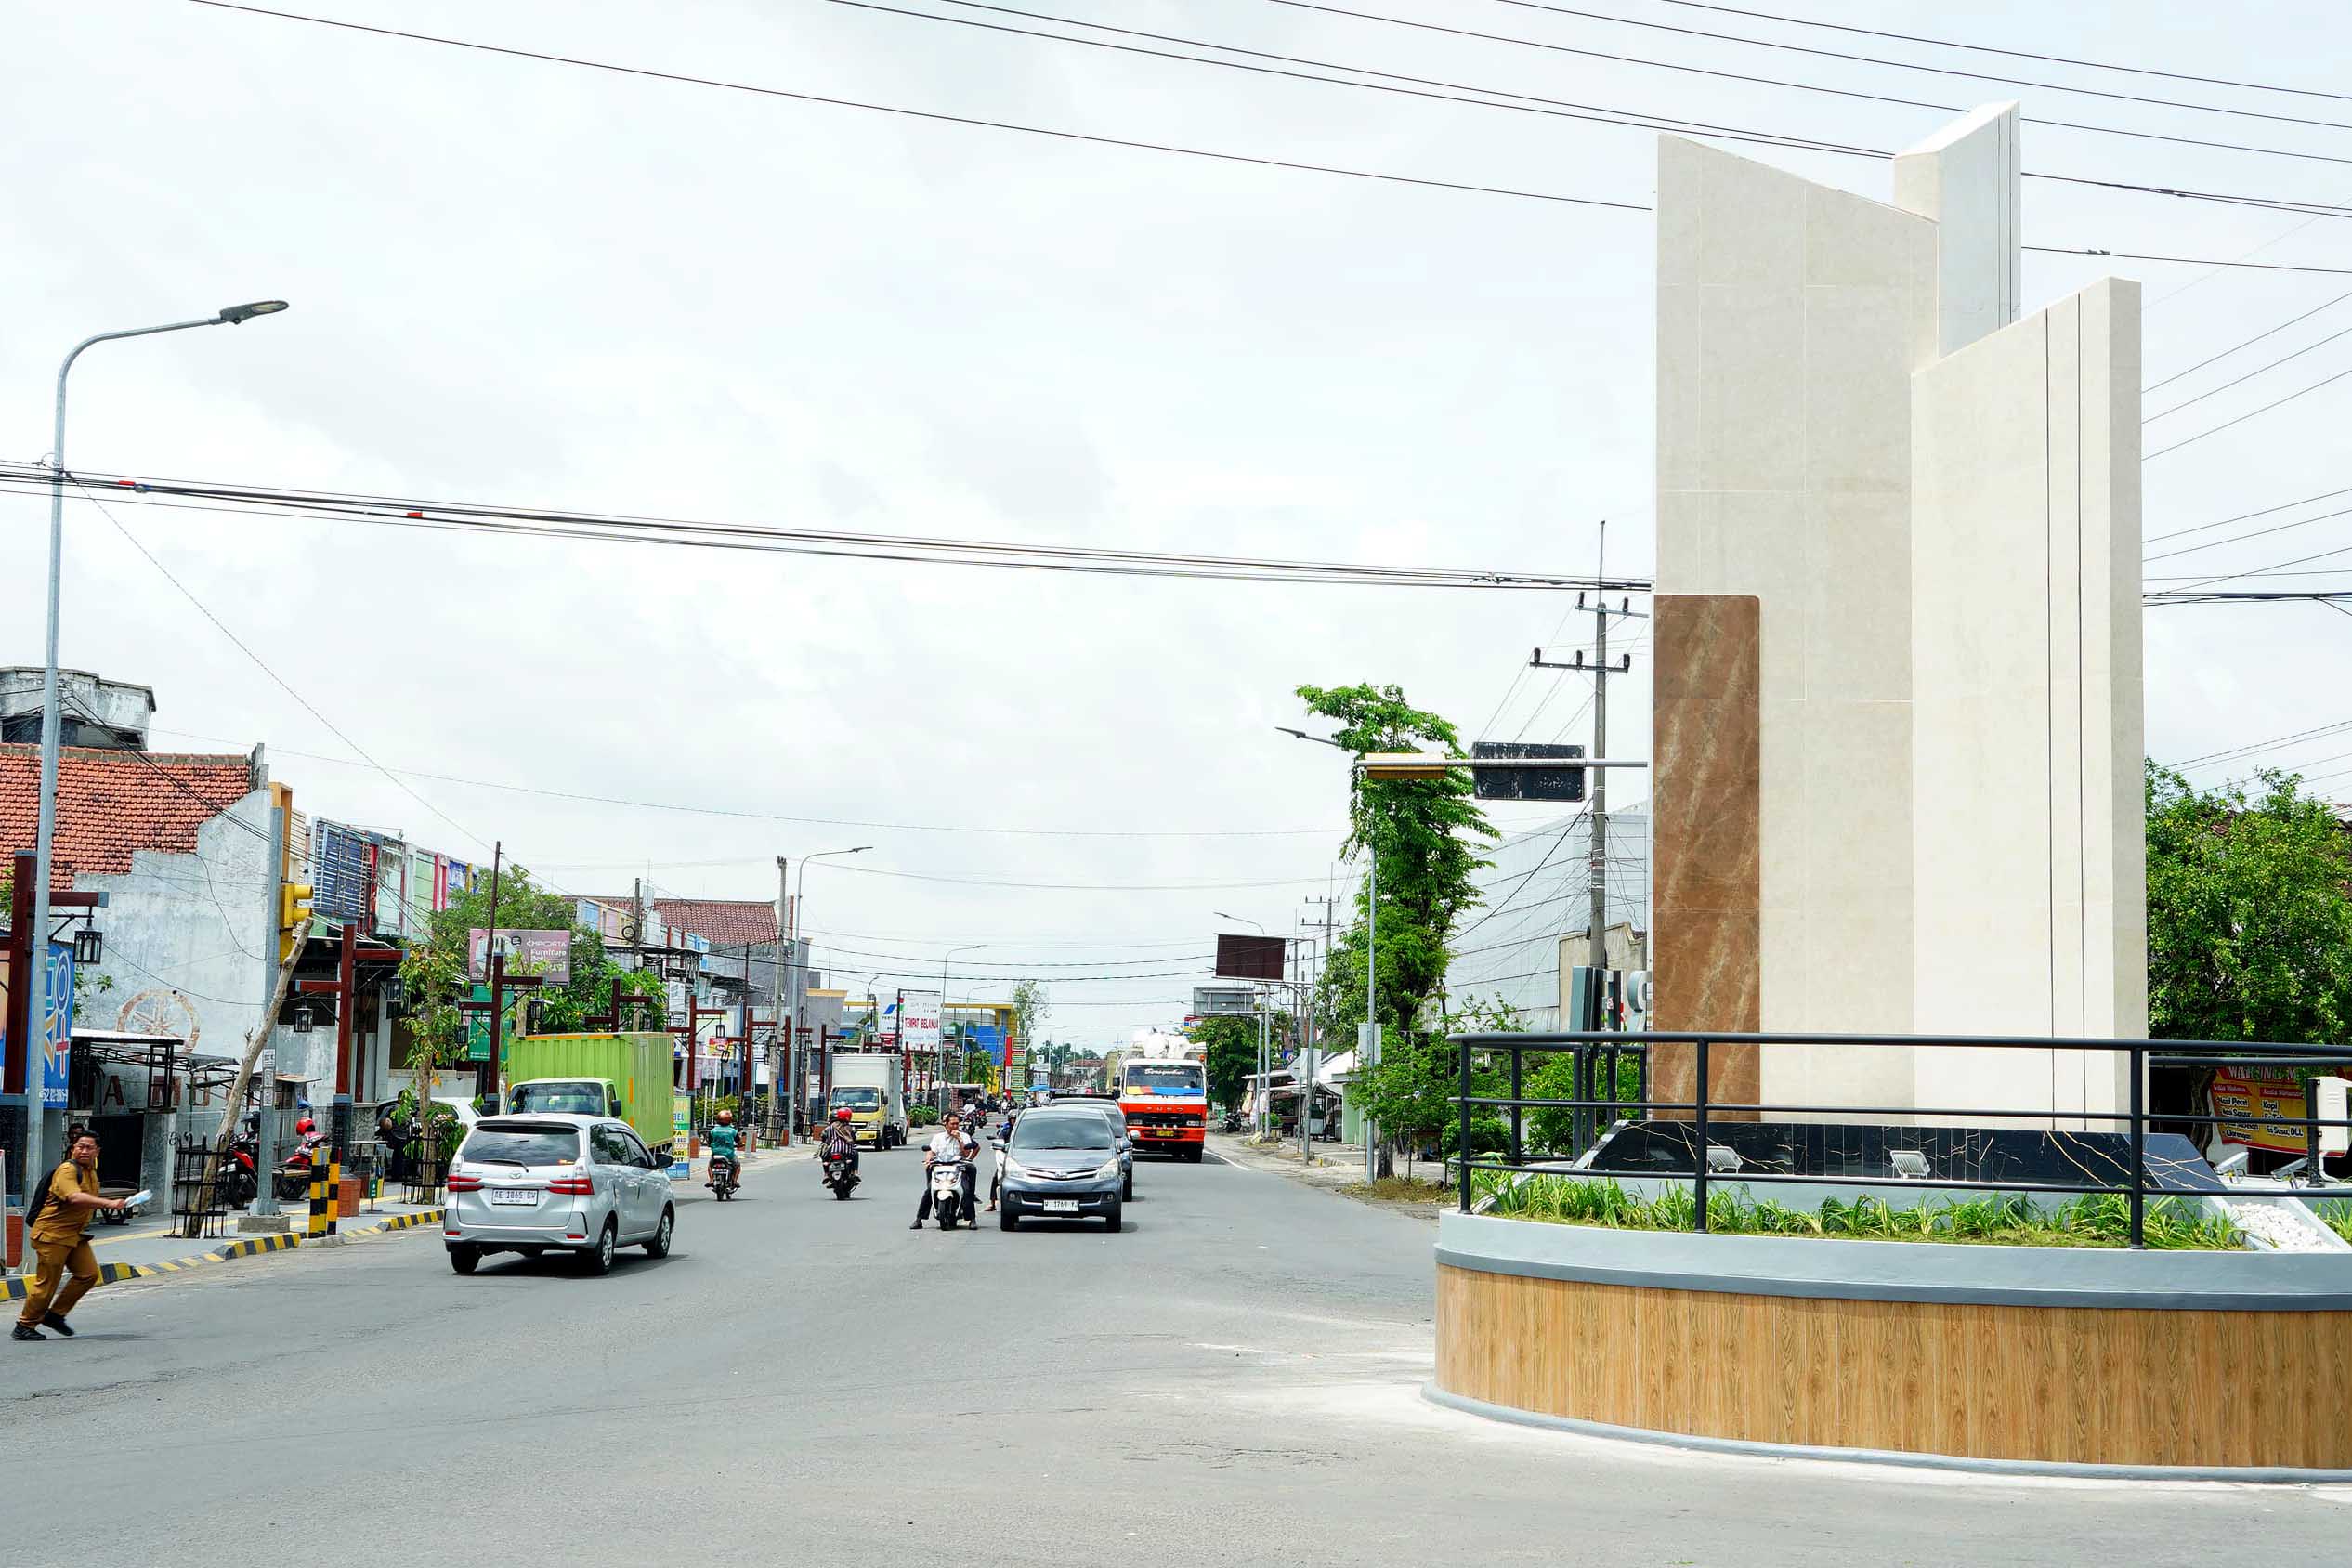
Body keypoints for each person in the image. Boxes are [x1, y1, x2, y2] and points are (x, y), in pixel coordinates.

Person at [15, 1131, 126, 1342]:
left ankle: (55, 1315)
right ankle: (25, 1324)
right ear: (73, 1148)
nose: (84, 1151)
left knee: (88, 1274)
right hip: (52, 1234)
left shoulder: (90, 1172)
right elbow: (74, 1197)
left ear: (97, 1151)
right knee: (47, 1283)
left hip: (74, 1234)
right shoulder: (67, 1170)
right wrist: (109, 1204)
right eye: (80, 1146)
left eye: (89, 1147)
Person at [912, 1111, 976, 1229]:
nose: (955, 1126)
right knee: (929, 1190)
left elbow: (966, 1154)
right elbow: (931, 1151)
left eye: (957, 1124)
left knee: (966, 1190)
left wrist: (959, 1139)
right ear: (946, 1125)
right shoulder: (938, 1138)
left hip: (958, 1167)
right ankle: (919, 1219)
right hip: (940, 1167)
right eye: (952, 1124)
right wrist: (928, 1160)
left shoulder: (964, 1136)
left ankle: (972, 1219)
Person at [706, 1108, 740, 1190]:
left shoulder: (713, 1131)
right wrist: (740, 1145)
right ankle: (735, 1181)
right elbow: (739, 1143)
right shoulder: (733, 1131)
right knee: (737, 1166)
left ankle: (711, 1180)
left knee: (710, 1166)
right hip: (729, 1155)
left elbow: (709, 1142)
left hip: (716, 1154)